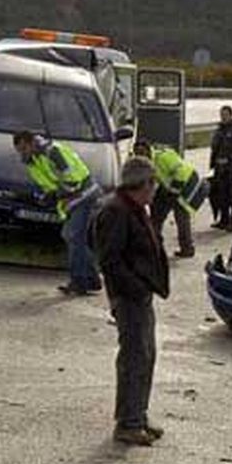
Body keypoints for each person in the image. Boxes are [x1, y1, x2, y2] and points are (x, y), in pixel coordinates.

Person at [92, 156, 170, 446]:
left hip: (140, 294)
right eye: (153, 182)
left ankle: (138, 413)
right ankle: (128, 422)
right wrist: (134, 287)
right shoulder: (116, 211)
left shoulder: (134, 207)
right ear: (142, 183)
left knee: (146, 354)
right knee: (134, 357)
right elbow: (109, 260)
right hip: (129, 297)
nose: (155, 188)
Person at [12, 131, 102, 296]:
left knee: (73, 237)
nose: (22, 153)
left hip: (83, 195)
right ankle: (90, 279)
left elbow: (72, 181)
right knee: (73, 238)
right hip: (72, 200)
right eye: (20, 150)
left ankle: (80, 281)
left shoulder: (52, 152)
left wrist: (56, 194)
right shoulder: (32, 161)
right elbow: (49, 185)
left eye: (24, 148)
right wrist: (45, 196)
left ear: (32, 142)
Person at [133, 139, 202, 258]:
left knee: (181, 216)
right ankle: (155, 248)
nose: (141, 157)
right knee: (156, 216)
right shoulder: (146, 163)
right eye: (138, 154)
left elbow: (180, 172)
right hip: (170, 187)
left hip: (186, 184)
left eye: (142, 153)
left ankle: (187, 249)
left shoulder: (163, 156)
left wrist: (173, 192)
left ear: (148, 150)